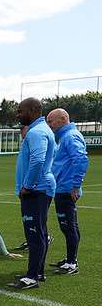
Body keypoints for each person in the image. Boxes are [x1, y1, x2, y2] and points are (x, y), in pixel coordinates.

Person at [8, 98, 56, 290]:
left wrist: (27, 185)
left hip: (36, 190)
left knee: (34, 234)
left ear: (34, 110)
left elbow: (37, 160)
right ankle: (37, 271)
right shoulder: (41, 130)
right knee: (40, 232)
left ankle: (32, 276)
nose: (18, 115)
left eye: (21, 111)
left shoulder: (36, 132)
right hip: (40, 189)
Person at [46, 108, 89, 275]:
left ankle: (72, 263)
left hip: (66, 189)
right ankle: (70, 259)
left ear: (63, 119)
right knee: (69, 226)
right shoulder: (65, 136)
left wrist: (75, 185)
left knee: (68, 226)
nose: (49, 125)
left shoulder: (70, 136)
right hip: (62, 187)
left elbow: (81, 159)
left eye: (51, 121)